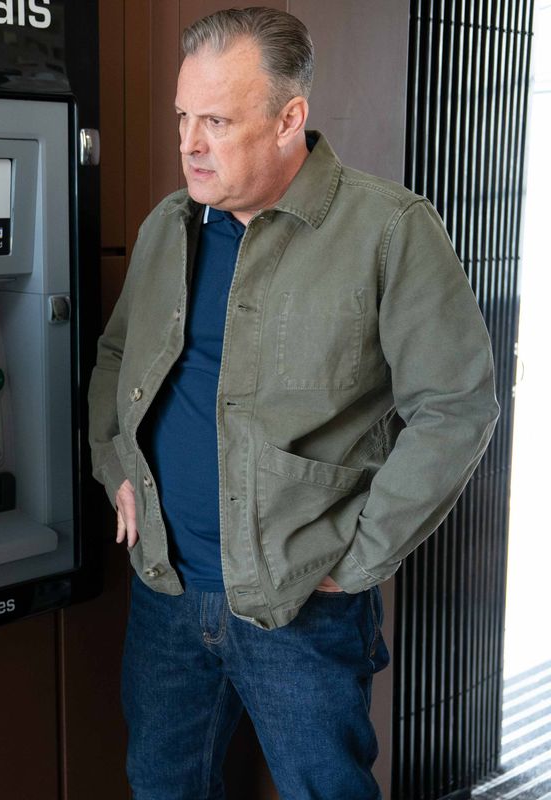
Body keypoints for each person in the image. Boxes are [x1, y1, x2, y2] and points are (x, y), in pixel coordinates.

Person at [87, 7, 499, 798]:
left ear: (290, 119)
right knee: (162, 787)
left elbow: (457, 407)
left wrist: (362, 557)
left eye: (215, 120)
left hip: (304, 605)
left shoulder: (389, 230)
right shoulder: (167, 227)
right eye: (182, 117)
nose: (188, 143)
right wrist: (117, 466)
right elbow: (115, 357)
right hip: (167, 596)